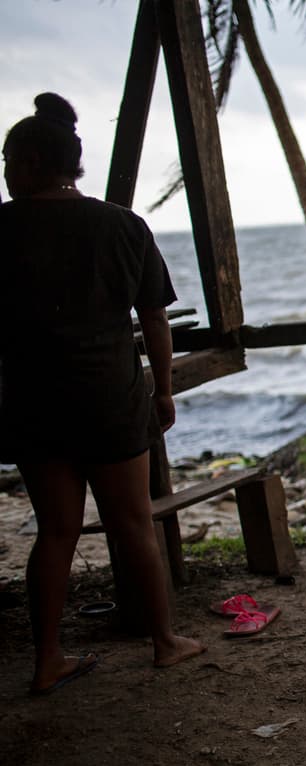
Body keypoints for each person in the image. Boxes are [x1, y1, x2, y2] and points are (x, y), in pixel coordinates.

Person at [0, 93, 205, 696]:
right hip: (111, 398)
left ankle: (47, 660)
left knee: (56, 531)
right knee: (133, 523)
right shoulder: (122, 225)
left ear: (33, 161)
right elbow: (156, 320)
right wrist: (163, 392)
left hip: (35, 403)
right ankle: (166, 643)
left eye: (8, 160)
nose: (6, 172)